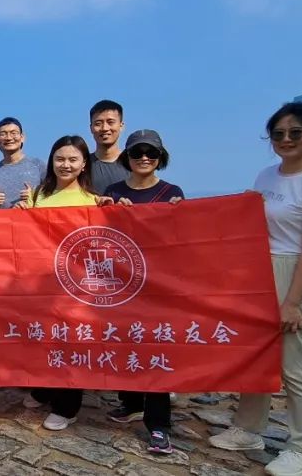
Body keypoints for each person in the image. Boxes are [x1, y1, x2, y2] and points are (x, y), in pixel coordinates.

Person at [209, 103, 302, 476]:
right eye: (278, 134)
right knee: (256, 355)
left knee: (298, 366)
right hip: (260, 272)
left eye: (295, 133)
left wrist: (293, 302)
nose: (286, 140)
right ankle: (248, 429)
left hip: (296, 272)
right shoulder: (267, 175)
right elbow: (248, 218)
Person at [103, 129, 184, 455]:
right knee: (125, 342)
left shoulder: (171, 192)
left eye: (151, 152)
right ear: (128, 157)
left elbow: (181, 239)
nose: (144, 158)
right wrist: (108, 210)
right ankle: (131, 402)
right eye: (137, 152)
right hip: (122, 285)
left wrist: (180, 214)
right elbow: (102, 236)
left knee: (156, 349)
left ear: (160, 157)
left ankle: (159, 424)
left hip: (158, 286)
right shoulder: (113, 191)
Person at [19, 135, 108, 431]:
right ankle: (45, 389)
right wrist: (20, 214)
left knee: (70, 342)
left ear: (84, 165)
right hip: (41, 282)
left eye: (72, 159)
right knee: (44, 338)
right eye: (60, 159)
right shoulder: (39, 196)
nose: (65, 165)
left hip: (75, 286)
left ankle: (67, 407)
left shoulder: (93, 201)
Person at [0, 117, 44, 209]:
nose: (9, 138)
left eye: (13, 133)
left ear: (22, 137)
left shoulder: (38, 165)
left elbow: (53, 196)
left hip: (32, 218)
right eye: (3, 134)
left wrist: (34, 196)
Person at [89, 100, 129, 194]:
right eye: (98, 123)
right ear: (91, 128)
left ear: (121, 126)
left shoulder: (133, 163)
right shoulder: (82, 166)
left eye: (110, 122)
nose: (104, 128)